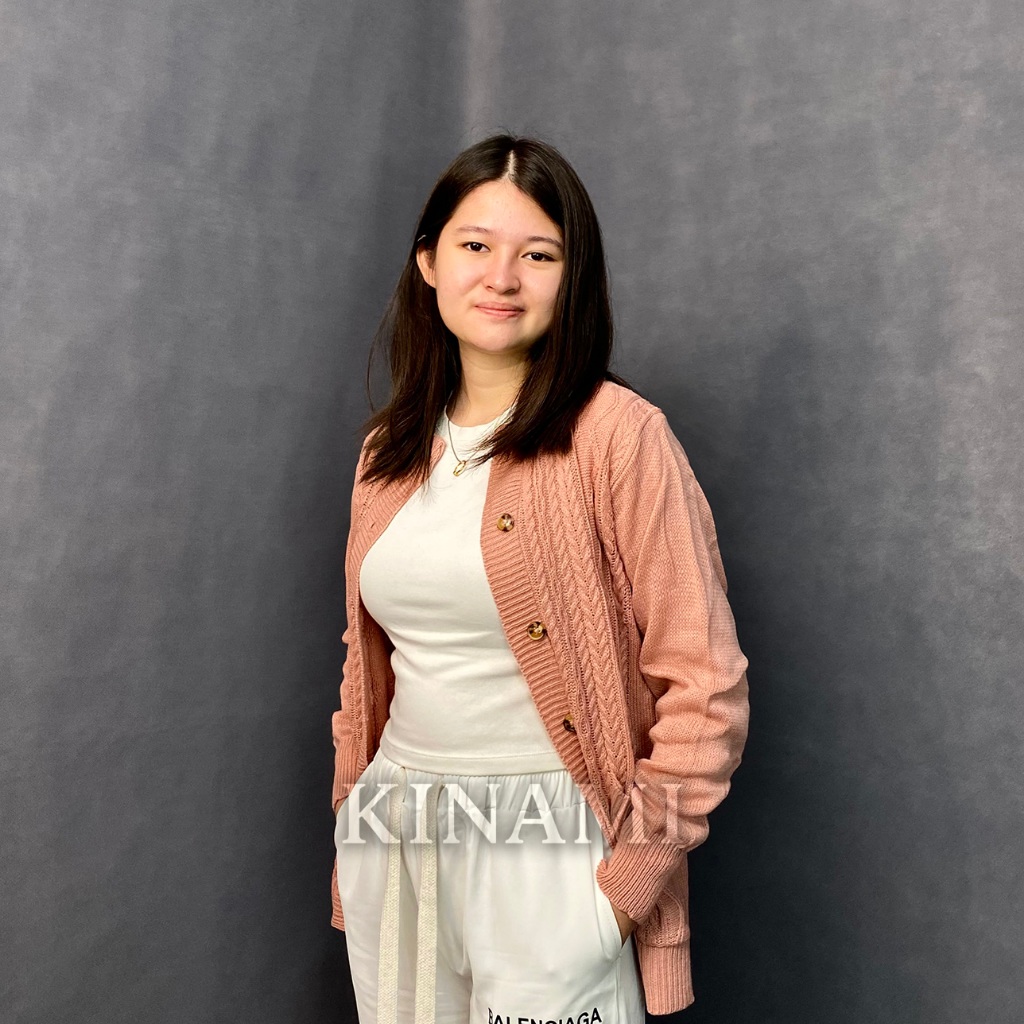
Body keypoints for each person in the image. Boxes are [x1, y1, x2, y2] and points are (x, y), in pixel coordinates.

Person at [330, 134, 749, 1024]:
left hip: (550, 841)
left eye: (539, 254)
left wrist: (622, 889)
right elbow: (363, 667)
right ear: (428, 263)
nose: (502, 278)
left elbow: (707, 683)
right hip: (395, 833)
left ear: (572, 277)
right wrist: (353, 817)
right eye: (475, 245)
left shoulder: (618, 436)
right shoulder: (386, 454)